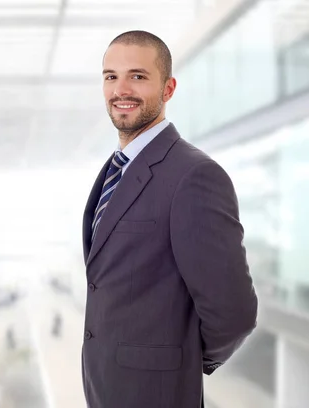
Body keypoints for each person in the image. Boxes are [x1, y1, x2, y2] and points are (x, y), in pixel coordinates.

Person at [80, 30, 258, 408]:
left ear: (169, 88)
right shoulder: (115, 170)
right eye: (111, 76)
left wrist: (184, 361)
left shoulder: (194, 176)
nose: (120, 89)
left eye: (138, 76)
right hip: (104, 390)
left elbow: (234, 312)